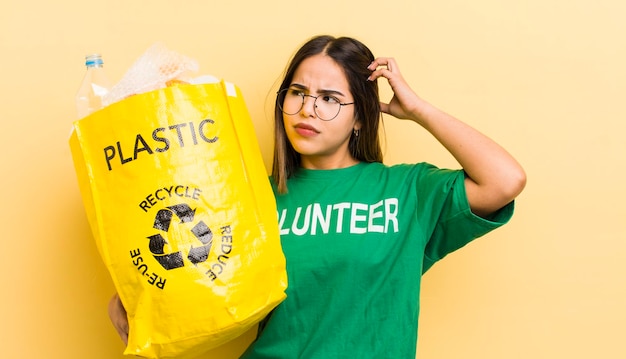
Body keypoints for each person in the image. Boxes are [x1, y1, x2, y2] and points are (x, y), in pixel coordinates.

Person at [109, 35, 526, 358]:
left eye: (329, 98)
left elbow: (504, 181)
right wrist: (138, 301)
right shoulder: (247, 197)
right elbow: (197, 287)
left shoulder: (407, 192)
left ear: (361, 116)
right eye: (297, 93)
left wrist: (417, 109)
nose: (308, 109)